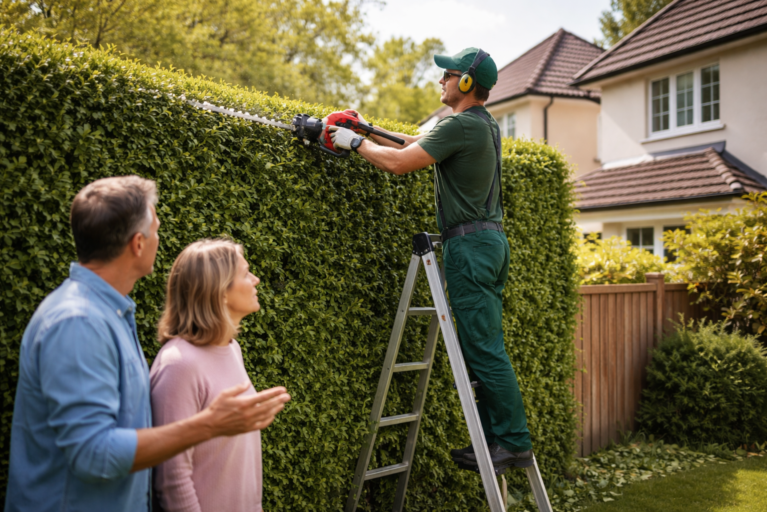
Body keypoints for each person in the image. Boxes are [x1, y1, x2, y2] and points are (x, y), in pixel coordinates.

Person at [5, 176, 291, 512]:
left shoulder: (110, 314)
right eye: (155, 230)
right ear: (138, 244)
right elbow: (93, 454)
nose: (159, 238)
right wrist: (210, 424)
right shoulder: (79, 322)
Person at [329, 48, 534, 470]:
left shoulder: (461, 124)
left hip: (471, 248)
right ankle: (495, 439)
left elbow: (401, 163)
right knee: (480, 347)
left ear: (466, 83)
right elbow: (415, 145)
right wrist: (366, 127)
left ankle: (513, 442)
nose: (441, 81)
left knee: (485, 349)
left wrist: (353, 142)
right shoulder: (481, 124)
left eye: (449, 75)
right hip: (487, 243)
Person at [150, 239, 268, 512]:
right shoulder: (179, 365)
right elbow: (172, 478)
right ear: (220, 291)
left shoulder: (232, 348)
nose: (256, 279)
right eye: (246, 273)